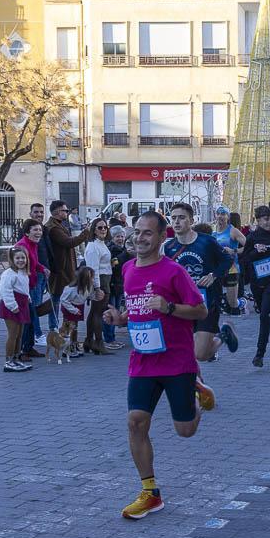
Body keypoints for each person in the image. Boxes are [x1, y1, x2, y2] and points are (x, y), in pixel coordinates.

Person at [103, 211, 213, 520]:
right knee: (136, 421)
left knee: (185, 431)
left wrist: (170, 307)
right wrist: (119, 318)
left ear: (161, 237)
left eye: (147, 233)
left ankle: (195, 391)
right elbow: (134, 311)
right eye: (137, 231)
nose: (139, 238)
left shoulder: (174, 272)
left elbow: (201, 311)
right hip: (142, 361)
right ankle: (150, 492)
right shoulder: (126, 269)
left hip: (177, 362)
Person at [164, 202, 237, 361]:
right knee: (186, 350)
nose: (176, 222)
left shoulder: (206, 241)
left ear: (191, 220)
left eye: (182, 218)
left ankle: (223, 335)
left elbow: (227, 260)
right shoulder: (169, 247)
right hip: (183, 303)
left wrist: (213, 275)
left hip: (207, 301)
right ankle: (194, 383)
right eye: (174, 218)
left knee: (201, 355)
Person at [239, 205, 270, 367]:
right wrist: (255, 252)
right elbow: (245, 259)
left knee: (262, 315)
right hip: (256, 281)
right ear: (258, 221)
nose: (269, 222)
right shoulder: (252, 237)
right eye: (266, 219)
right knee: (265, 313)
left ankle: (259, 354)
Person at [45, 200, 91, 314]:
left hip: (62, 268)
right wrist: (85, 233)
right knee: (56, 299)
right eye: (65, 210)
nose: (67, 212)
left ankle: (60, 326)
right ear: (57, 212)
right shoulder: (53, 228)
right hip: (60, 270)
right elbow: (69, 242)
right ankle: (54, 327)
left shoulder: (58, 224)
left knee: (59, 298)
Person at [15, 219, 49, 361]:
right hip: (23, 289)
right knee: (26, 320)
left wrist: (42, 268)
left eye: (40, 230)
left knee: (31, 317)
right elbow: (17, 265)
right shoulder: (22, 245)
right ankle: (22, 351)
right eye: (35, 230)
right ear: (27, 232)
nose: (38, 233)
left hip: (31, 285)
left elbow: (34, 262)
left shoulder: (33, 244)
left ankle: (29, 347)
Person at [83, 218, 115, 354]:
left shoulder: (101, 244)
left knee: (94, 312)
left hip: (105, 278)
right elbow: (93, 269)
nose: (103, 230)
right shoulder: (93, 246)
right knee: (98, 313)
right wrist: (97, 288)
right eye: (99, 228)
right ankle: (98, 342)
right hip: (100, 280)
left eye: (105, 227)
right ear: (94, 230)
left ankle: (89, 341)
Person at [0, 246, 33, 372]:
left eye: (23, 258)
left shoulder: (23, 272)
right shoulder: (8, 274)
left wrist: (28, 297)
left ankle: (16, 358)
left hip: (22, 305)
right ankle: (8, 361)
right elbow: (5, 290)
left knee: (19, 335)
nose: (20, 260)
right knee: (12, 334)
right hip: (12, 306)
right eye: (17, 258)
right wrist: (12, 306)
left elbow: (23, 287)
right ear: (12, 260)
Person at [59, 266, 102, 357]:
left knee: (75, 328)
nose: (93, 279)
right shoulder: (71, 289)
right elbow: (63, 300)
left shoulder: (87, 287)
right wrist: (73, 310)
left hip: (78, 307)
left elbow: (89, 296)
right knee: (69, 329)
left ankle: (73, 345)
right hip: (70, 308)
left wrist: (97, 297)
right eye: (91, 277)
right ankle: (66, 349)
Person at [28, 202, 56, 341]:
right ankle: (37, 334)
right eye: (36, 212)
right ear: (30, 214)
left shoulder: (43, 229)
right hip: (35, 273)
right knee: (35, 305)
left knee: (37, 304)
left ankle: (35, 333)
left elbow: (48, 251)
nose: (39, 214)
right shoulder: (27, 231)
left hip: (44, 272)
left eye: (41, 212)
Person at [212, 206, 247, 314]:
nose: (220, 216)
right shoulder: (212, 231)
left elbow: (249, 246)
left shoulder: (233, 231)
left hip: (232, 269)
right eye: (218, 214)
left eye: (223, 214)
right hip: (216, 268)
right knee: (214, 299)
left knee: (232, 302)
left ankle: (241, 303)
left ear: (228, 217)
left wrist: (234, 251)